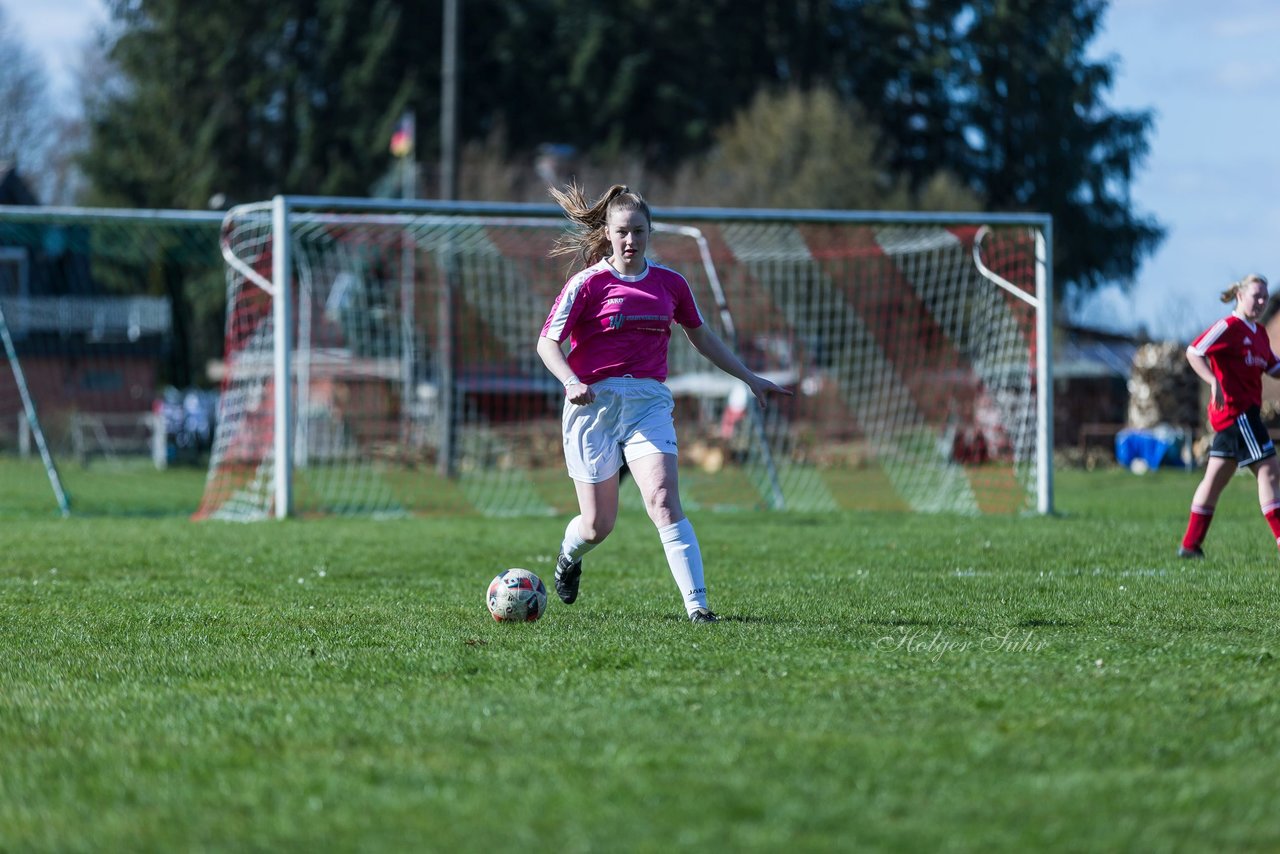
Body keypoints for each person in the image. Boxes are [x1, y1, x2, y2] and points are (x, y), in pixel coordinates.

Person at [536, 183, 791, 622]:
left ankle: (698, 608)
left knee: (663, 500)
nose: (630, 240)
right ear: (608, 233)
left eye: (639, 231)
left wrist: (749, 377)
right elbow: (547, 343)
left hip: (648, 404)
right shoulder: (587, 284)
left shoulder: (670, 284)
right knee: (598, 525)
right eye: (622, 232)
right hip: (592, 405)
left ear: (650, 232)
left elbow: (702, 336)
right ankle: (568, 556)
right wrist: (571, 381)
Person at [1178, 273, 1280, 558]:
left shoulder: (1258, 333)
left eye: (1264, 297)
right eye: (1255, 296)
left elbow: (1273, 368)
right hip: (1237, 412)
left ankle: (1189, 545)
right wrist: (1213, 381)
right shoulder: (1228, 327)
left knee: (1215, 479)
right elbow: (1194, 351)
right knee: (1270, 469)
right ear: (1240, 296)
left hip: (1242, 415)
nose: (1260, 302)